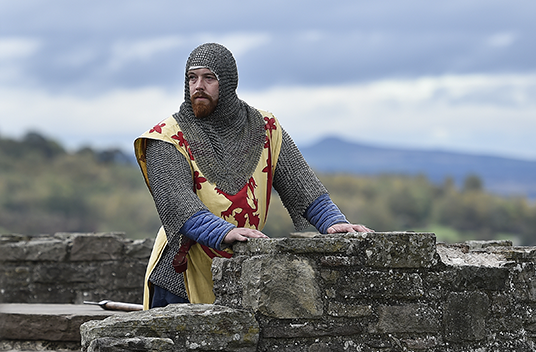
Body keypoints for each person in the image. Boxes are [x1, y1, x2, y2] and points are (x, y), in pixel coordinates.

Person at [134, 43, 371, 309]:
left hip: (239, 264)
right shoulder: (166, 137)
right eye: (192, 78)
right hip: (181, 274)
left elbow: (302, 186)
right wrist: (223, 232)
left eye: (208, 77)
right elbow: (177, 204)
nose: (198, 85)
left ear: (228, 82)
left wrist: (332, 221)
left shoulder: (265, 128)